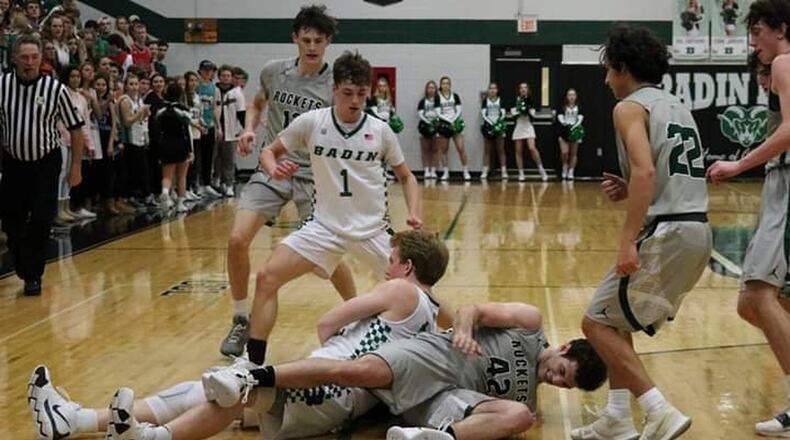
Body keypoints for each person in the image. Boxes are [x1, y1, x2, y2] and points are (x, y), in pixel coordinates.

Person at [28, 230, 449, 440]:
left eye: (392, 260)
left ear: (407, 267)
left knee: (237, 392)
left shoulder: (400, 291)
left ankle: (154, 438)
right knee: (209, 392)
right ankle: (73, 420)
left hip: (329, 382)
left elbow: (326, 322)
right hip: (346, 401)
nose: (387, 268)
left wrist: (339, 338)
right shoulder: (431, 319)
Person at [571, 24, 712, 440]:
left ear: (623, 68)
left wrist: (627, 240)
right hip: (696, 229)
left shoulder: (629, 107)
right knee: (616, 321)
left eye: (608, 70)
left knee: (595, 323)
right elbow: (659, 173)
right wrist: (631, 188)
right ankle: (617, 417)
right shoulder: (676, 105)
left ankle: (658, 410)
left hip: (668, 230)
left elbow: (647, 171)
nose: (605, 79)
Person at [244, 50, 422, 367]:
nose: (355, 101)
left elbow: (407, 177)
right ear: (334, 89)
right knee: (267, 278)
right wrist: (273, 169)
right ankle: (252, 365)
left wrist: (414, 211)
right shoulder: (312, 122)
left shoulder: (380, 130)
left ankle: (454, 345)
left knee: (422, 292)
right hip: (324, 226)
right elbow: (269, 152)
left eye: (362, 94)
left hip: (372, 230)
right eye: (348, 93)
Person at [202, 302, 606, 440]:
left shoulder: (529, 399)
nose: (555, 381)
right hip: (437, 357)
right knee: (356, 372)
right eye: (562, 372)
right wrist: (464, 331)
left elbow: (498, 416)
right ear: (564, 348)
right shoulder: (530, 325)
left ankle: (436, 438)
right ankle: (250, 376)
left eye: (564, 385)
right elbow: (473, 309)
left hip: (448, 398)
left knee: (520, 417)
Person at [222, 4, 356, 358]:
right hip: (272, 167)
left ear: (328, 42)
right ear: (295, 38)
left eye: (319, 41)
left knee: (325, 258)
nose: (312, 47)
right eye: (306, 39)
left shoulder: (335, 83)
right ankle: (240, 318)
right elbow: (257, 104)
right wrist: (250, 129)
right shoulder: (273, 71)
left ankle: (359, 314)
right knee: (237, 239)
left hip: (315, 177)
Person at [707, 1, 790, 436]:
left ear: (781, 29)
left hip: (787, 185)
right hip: (779, 185)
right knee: (756, 302)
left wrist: (739, 165)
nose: (752, 41)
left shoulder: (784, 63)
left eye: (757, 31)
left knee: (758, 293)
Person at [0, 33, 84, 295]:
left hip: (46, 162)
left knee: (40, 220)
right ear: (14, 59)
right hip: (13, 162)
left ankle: (33, 276)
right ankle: (23, 264)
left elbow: (76, 129)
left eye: (34, 57)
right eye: (24, 57)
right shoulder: (2, 85)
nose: (29, 62)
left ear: (41, 59)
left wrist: (76, 167)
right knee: (11, 222)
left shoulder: (55, 89)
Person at [155, 83, 193, 213]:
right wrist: (190, 150)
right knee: (182, 176)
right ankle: (180, 203)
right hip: (181, 143)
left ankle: (165, 192)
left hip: (165, 143)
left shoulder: (160, 110)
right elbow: (187, 130)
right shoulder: (184, 110)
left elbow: (157, 129)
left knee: (167, 176)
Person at [214, 64, 245, 197]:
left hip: (231, 130)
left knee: (229, 160)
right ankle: (216, 182)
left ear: (232, 78)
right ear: (219, 77)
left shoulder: (237, 93)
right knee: (215, 158)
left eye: (228, 76)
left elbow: (242, 113)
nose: (226, 78)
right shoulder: (213, 90)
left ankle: (229, 184)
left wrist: (245, 130)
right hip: (215, 129)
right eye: (223, 75)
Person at [435, 76, 470, 181]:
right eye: (443, 83)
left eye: (447, 83)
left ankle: (465, 171)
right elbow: (438, 112)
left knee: (461, 148)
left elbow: (458, 110)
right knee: (444, 149)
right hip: (444, 124)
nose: (445, 85)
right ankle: (445, 172)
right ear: (440, 85)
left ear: (450, 85)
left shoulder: (455, 96)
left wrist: (453, 120)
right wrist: (448, 120)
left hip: (455, 123)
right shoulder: (438, 97)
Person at [511, 82, 548, 181]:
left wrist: (527, 110)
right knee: (518, 150)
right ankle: (521, 173)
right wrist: (519, 111)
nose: (523, 89)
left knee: (532, 148)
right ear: (519, 90)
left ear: (528, 89)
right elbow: (513, 111)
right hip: (519, 125)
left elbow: (533, 112)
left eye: (525, 88)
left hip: (528, 125)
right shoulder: (516, 100)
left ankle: (541, 170)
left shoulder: (531, 100)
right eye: (521, 88)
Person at [195, 59, 221, 198]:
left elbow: (216, 108)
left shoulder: (214, 89)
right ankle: (196, 183)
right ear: (200, 71)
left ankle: (206, 183)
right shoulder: (196, 86)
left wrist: (218, 126)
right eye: (205, 70)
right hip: (197, 125)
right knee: (196, 156)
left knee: (208, 156)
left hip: (209, 125)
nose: (208, 72)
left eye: (210, 70)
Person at [480, 82, 506, 180]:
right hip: (488, 126)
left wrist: (497, 123)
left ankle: (503, 171)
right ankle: (485, 170)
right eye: (490, 88)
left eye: (494, 88)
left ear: (497, 90)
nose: (492, 90)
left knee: (501, 149)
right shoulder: (485, 101)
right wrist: (491, 123)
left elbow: (503, 113)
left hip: (498, 126)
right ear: (488, 90)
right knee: (487, 150)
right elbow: (484, 114)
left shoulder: (501, 100)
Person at [557, 88, 584, 181]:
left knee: (573, 153)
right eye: (569, 95)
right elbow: (560, 117)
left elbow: (580, 118)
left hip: (575, 130)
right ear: (566, 97)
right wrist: (565, 124)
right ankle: (564, 166)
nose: (571, 97)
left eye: (573, 95)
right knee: (564, 152)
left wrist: (575, 126)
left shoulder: (579, 107)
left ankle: (571, 171)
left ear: (576, 96)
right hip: (564, 131)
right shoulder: (563, 107)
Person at [417, 80, 439, 179]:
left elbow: (440, 112)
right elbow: (420, 113)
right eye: (429, 87)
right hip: (425, 125)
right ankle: (426, 170)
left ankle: (433, 170)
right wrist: (428, 122)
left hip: (436, 125)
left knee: (435, 149)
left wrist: (435, 122)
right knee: (425, 149)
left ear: (436, 89)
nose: (431, 89)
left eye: (433, 87)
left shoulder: (439, 101)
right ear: (426, 89)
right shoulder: (423, 101)